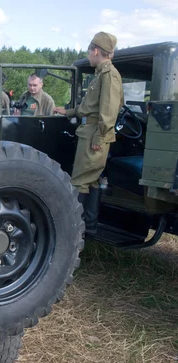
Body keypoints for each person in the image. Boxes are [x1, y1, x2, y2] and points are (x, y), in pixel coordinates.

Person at [53, 32, 124, 235]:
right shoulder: (101, 74)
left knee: (79, 181)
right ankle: (88, 226)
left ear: (95, 51)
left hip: (95, 134)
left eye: (89, 52)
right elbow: (90, 106)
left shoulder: (109, 75)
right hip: (91, 131)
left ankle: (72, 231)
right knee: (90, 180)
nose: (89, 56)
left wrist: (100, 136)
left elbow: (109, 110)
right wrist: (67, 111)